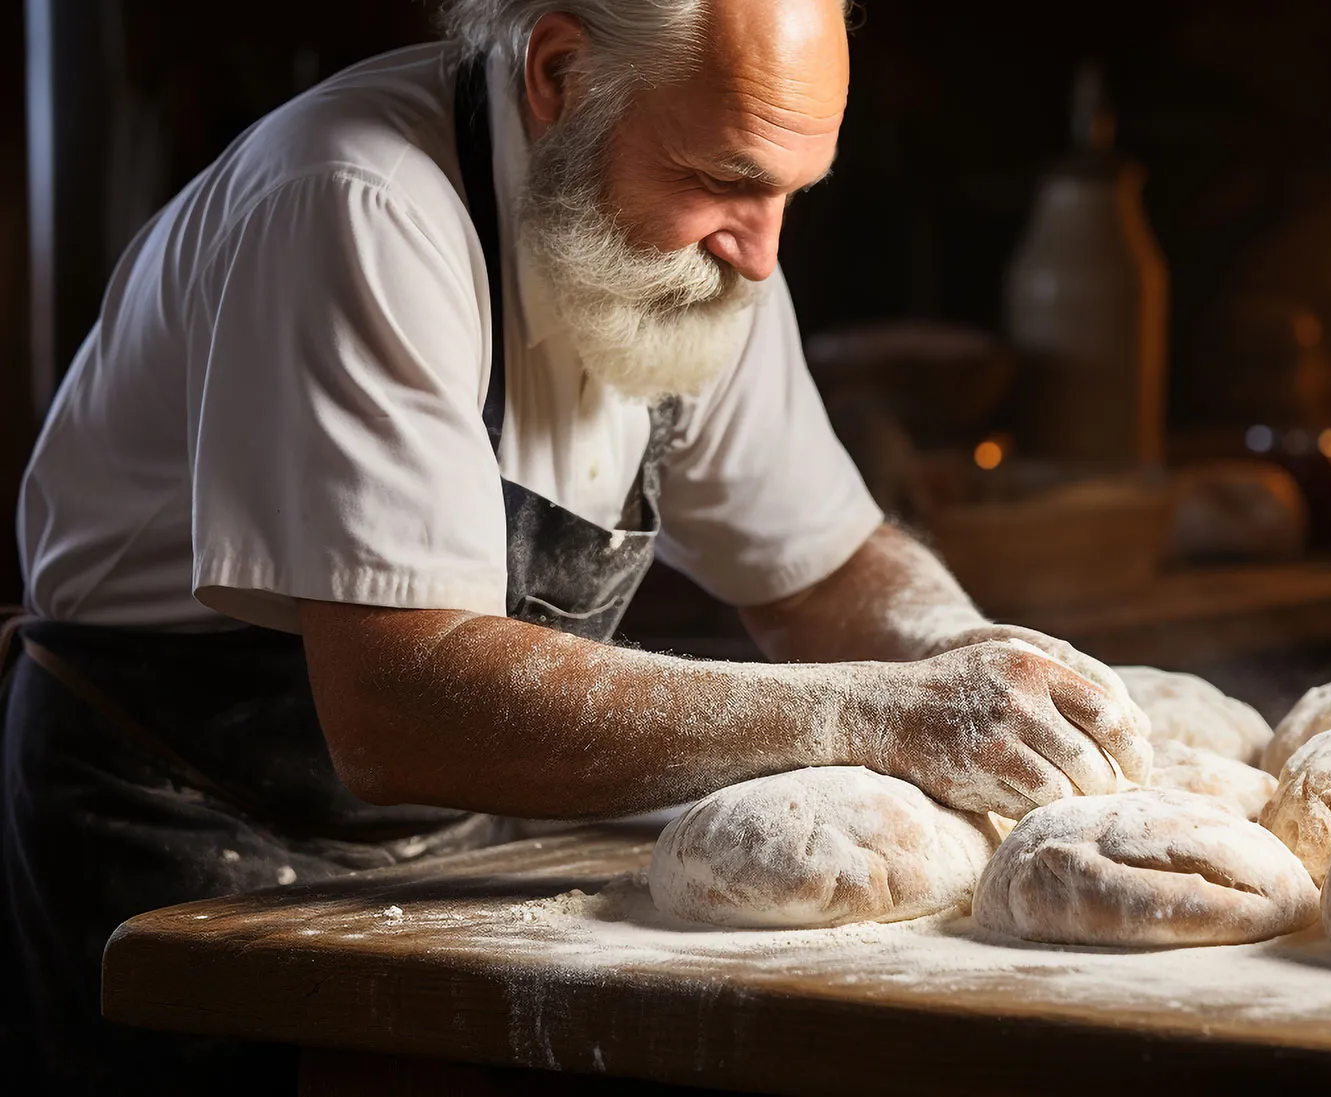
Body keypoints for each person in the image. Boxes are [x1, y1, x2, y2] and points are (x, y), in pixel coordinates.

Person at [2, 1, 1152, 1090]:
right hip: (187, 829)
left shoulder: (714, 246)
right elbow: (395, 702)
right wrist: (874, 711)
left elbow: (823, 568)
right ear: (562, 74)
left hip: (461, 841)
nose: (762, 253)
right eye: (723, 180)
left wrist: (976, 665)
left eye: (794, 191)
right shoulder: (357, 198)